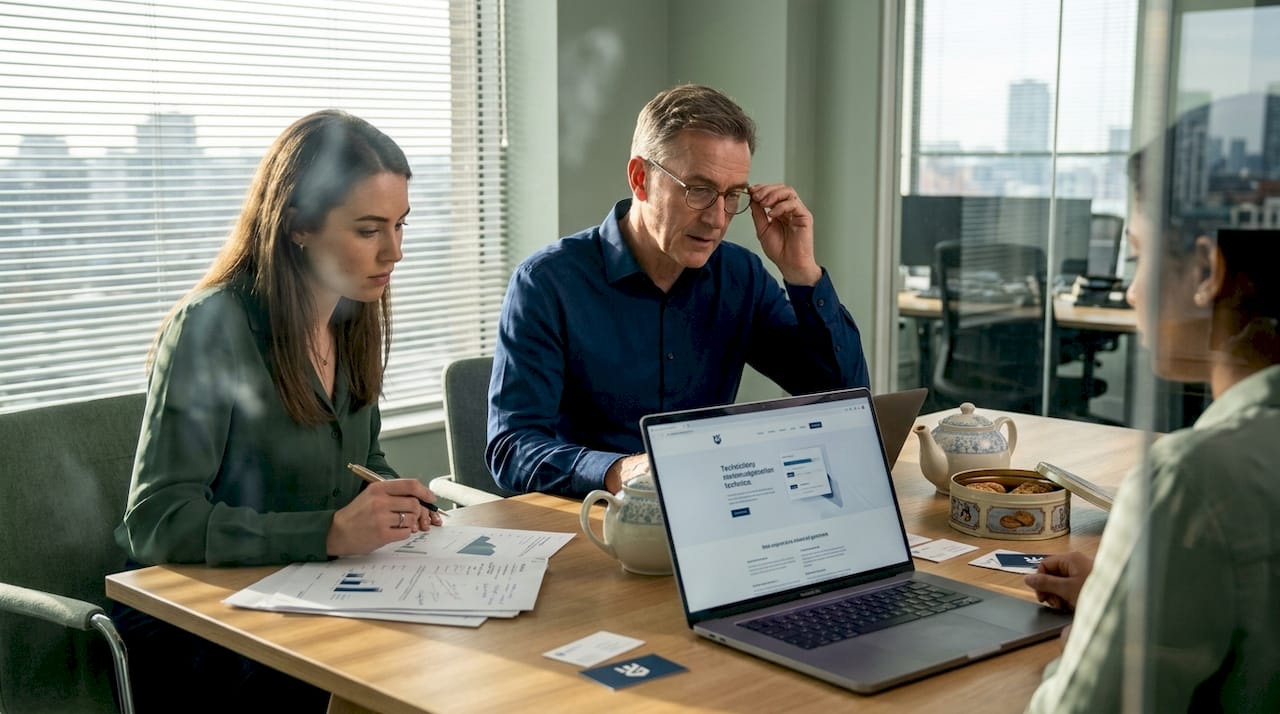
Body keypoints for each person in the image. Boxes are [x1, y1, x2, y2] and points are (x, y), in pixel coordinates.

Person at [112, 110, 442, 712]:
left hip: (306, 598)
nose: (394, 251)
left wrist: (396, 497)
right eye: (369, 230)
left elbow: (360, 461)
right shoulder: (213, 325)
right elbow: (157, 520)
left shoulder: (354, 316)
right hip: (203, 628)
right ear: (297, 227)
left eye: (400, 225)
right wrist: (331, 531)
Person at [486, 84, 871, 497]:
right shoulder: (547, 283)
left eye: (732, 195)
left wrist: (802, 272)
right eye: (699, 190)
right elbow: (512, 449)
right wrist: (622, 471)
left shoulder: (740, 275)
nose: (717, 219)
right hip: (594, 519)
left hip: (713, 507)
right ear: (640, 179)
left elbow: (843, 401)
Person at [1023, 105, 1280, 712]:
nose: (1132, 290)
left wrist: (1091, 645)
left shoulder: (1189, 482)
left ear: (1202, 270)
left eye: (1137, 257)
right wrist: (1130, 597)